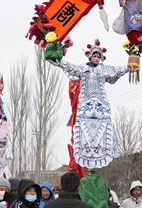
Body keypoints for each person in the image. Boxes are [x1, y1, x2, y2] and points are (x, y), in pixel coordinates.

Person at [53, 40, 128, 169]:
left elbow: (117, 70)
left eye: (99, 57)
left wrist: (131, 63)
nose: (97, 58)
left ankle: (100, 155)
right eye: (95, 56)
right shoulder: (82, 68)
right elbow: (70, 67)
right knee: (84, 133)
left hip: (101, 106)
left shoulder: (104, 69)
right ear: (89, 56)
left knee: (104, 131)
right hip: (85, 106)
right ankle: (86, 159)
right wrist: (58, 60)